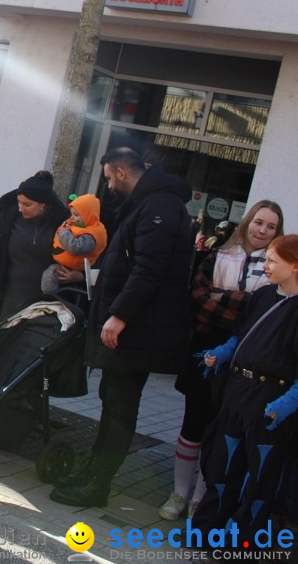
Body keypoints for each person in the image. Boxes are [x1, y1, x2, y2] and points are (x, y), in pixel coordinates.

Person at [51, 147, 193, 508]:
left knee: (120, 408)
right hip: (134, 327)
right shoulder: (149, 204)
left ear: (121, 172)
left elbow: (149, 269)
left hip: (137, 330)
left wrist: (119, 315)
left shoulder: (157, 206)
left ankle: (98, 484)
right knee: (112, 403)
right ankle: (93, 473)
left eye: (110, 178)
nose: (109, 186)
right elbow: (132, 264)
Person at [158, 200, 284, 521]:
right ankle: (179, 493)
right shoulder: (217, 256)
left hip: (243, 357)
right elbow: (199, 302)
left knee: (219, 431)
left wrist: (222, 297)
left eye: (271, 226)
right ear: (247, 222)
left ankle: (202, 499)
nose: (263, 231)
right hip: (204, 351)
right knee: (192, 424)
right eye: (259, 223)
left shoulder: (274, 269)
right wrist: (239, 304)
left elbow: (260, 311)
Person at [190, 234, 298, 550]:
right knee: (222, 471)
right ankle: (204, 537)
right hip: (238, 396)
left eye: (272, 260)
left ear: (294, 266)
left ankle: (238, 547)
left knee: (258, 484)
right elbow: (240, 337)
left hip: (270, 408)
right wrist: (220, 354)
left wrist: (286, 405)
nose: (264, 265)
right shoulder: (263, 295)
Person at [0, 170, 68, 348]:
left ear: (43, 205)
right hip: (5, 294)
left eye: (27, 204)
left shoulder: (61, 224)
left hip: (39, 301)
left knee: (24, 348)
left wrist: (74, 275)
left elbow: (72, 259)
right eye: (19, 202)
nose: (20, 208)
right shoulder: (8, 219)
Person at [40, 194, 107, 293]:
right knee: (49, 274)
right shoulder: (75, 225)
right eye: (72, 214)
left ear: (88, 215)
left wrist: (62, 233)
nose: (72, 218)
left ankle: (49, 298)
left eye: (76, 215)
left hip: (78, 271)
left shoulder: (92, 235)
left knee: (50, 276)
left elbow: (76, 247)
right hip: (64, 265)